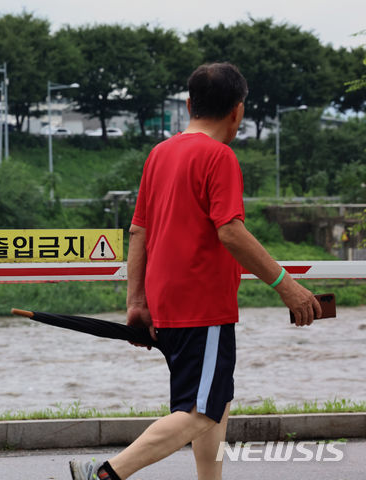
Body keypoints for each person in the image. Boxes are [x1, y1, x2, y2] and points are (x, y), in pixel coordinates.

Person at [69, 62, 322, 480]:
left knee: (214, 404)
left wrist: (136, 302)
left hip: (167, 302)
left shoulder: (160, 153)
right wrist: (286, 285)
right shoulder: (219, 157)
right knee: (200, 410)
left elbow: (138, 232)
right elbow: (231, 232)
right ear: (238, 111)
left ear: (189, 104)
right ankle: (103, 473)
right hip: (203, 306)